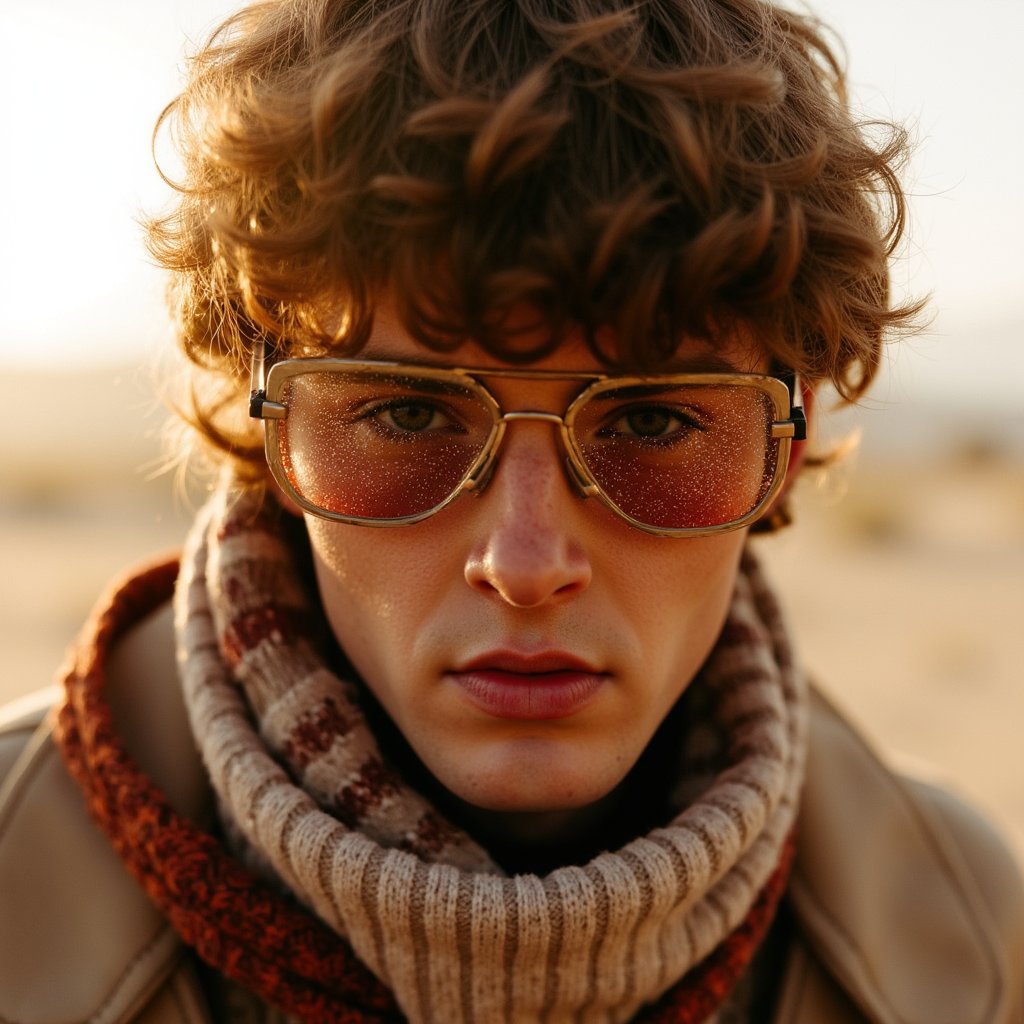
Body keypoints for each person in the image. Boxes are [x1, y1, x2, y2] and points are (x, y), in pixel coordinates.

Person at [1, 0, 1021, 1020]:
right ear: (274, 435)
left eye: (653, 424)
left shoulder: (973, 939)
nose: (525, 565)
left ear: (780, 455)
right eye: (406, 415)